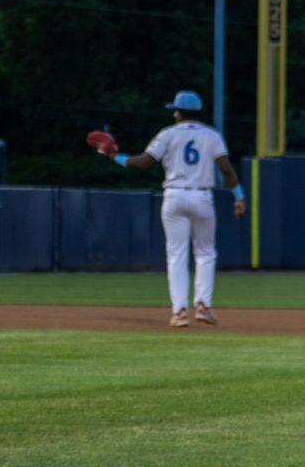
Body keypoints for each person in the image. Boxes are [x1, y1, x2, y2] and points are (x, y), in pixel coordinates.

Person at [97, 91, 245, 327]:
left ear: (178, 113)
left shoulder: (167, 134)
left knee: (176, 255)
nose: (174, 113)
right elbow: (226, 170)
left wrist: (114, 156)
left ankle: (179, 312)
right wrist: (239, 197)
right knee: (205, 252)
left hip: (174, 196)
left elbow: (143, 162)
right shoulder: (212, 135)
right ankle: (204, 306)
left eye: (175, 109)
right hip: (202, 196)